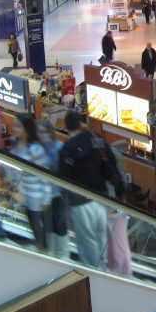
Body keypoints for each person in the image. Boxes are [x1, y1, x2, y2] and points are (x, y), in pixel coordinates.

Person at [59, 111, 108, 269]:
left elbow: (64, 179)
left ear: (66, 128)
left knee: (87, 241)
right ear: (81, 124)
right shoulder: (96, 140)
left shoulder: (67, 149)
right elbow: (108, 165)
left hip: (80, 203)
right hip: (101, 199)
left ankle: (95, 273)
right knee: (101, 238)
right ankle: (105, 269)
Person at [8, 114, 53, 252]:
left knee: (38, 226)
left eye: (18, 126)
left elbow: (44, 175)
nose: (14, 128)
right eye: (14, 125)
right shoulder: (15, 142)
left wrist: (46, 198)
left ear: (26, 129)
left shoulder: (35, 149)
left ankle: (43, 250)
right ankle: (40, 247)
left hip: (36, 195)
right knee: (32, 223)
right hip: (24, 193)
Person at [37, 120, 70, 260]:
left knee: (60, 224)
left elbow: (64, 171)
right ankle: (51, 255)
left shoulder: (59, 147)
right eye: (38, 132)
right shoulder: (37, 149)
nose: (40, 135)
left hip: (57, 194)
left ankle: (63, 254)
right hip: (42, 195)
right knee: (46, 225)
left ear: (50, 132)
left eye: (43, 132)